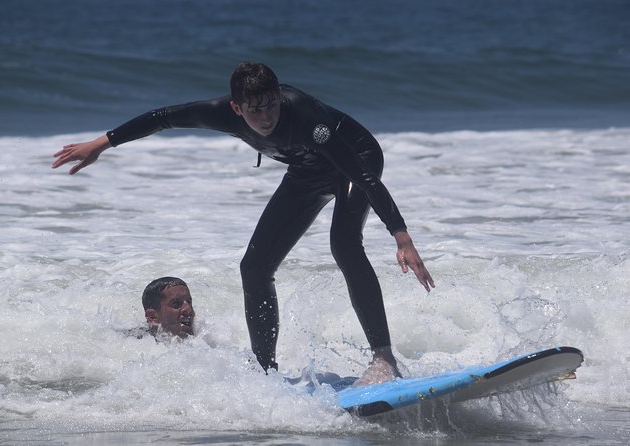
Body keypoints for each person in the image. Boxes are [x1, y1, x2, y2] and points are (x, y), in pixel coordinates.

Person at [52, 62, 435, 385]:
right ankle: (265, 372)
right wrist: (103, 142)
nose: (266, 117)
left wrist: (401, 236)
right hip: (306, 170)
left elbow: (363, 176)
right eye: (255, 110)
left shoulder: (306, 117)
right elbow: (162, 117)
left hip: (355, 160)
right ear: (236, 109)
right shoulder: (219, 113)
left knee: (345, 245)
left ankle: (384, 359)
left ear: (279, 98)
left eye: (271, 106)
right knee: (254, 266)